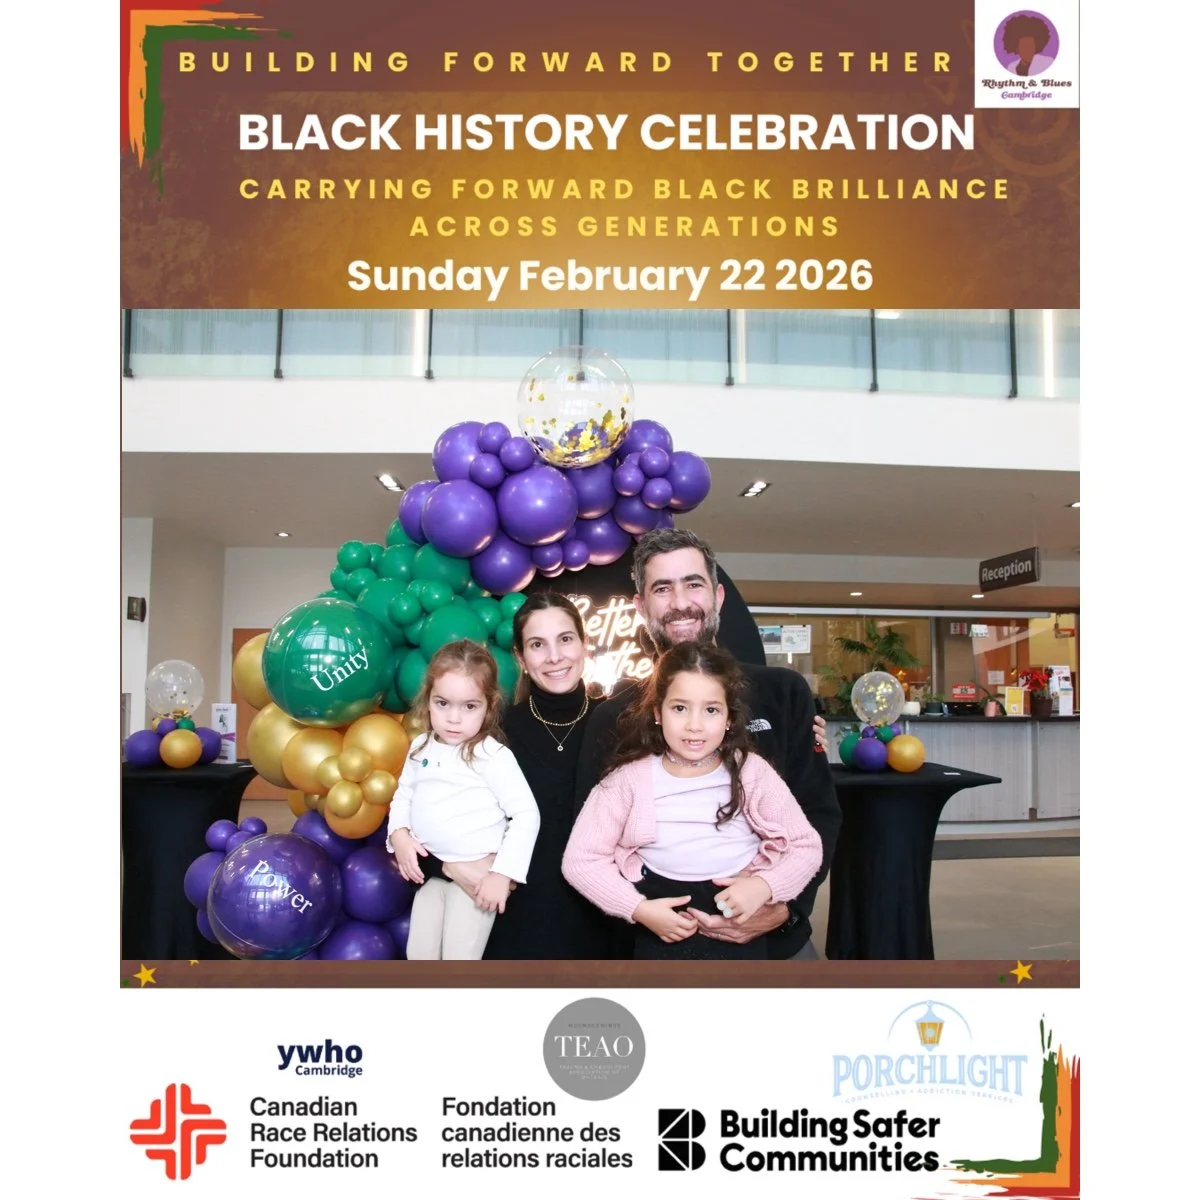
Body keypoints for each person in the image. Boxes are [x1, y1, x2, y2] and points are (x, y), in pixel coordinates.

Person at [574, 527, 841, 960]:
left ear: (717, 597)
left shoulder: (783, 693)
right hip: (655, 948)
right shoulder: (612, 716)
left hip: (775, 942)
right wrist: (639, 912)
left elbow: (818, 816)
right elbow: (592, 846)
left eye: (693, 584)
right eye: (663, 588)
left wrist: (783, 907)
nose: (680, 603)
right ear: (641, 607)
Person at [563, 643, 823, 960]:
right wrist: (638, 909)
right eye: (680, 708)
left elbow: (806, 845)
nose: (694, 725)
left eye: (711, 710)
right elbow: (580, 860)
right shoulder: (627, 780)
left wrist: (764, 887)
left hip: (742, 924)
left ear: (730, 717)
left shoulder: (750, 772)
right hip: (660, 928)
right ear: (658, 712)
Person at [416, 593, 619, 959]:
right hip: (512, 923)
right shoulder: (492, 732)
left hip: (600, 927)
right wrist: (448, 867)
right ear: (521, 658)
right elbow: (426, 812)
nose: (555, 656)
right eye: (538, 644)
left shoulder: (617, 725)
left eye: (566, 639)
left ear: (585, 645)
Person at [385, 640, 540, 960]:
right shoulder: (420, 746)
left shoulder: (492, 755)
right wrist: (398, 833)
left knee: (460, 962)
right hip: (431, 873)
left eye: (469, 706)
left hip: (476, 879)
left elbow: (526, 814)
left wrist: (502, 874)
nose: (454, 718)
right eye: (443, 703)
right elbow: (404, 794)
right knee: (420, 956)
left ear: (489, 705)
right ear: (427, 699)